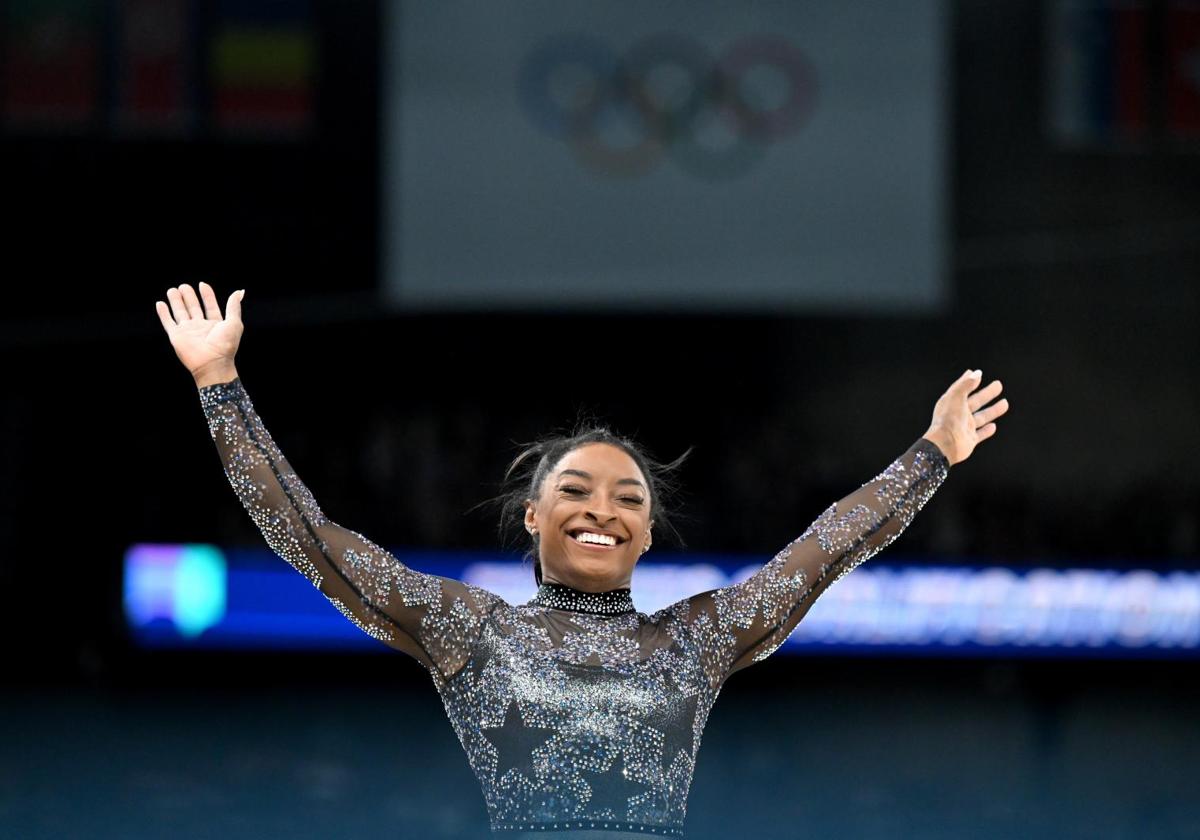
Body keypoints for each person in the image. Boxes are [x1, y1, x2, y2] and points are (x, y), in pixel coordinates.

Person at [155, 282, 1009, 839]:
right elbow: (311, 538)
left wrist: (933, 451)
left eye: (629, 500)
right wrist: (219, 383)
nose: (602, 509)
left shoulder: (698, 640)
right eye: (576, 492)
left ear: (645, 536)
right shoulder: (469, 629)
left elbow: (827, 548)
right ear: (533, 517)